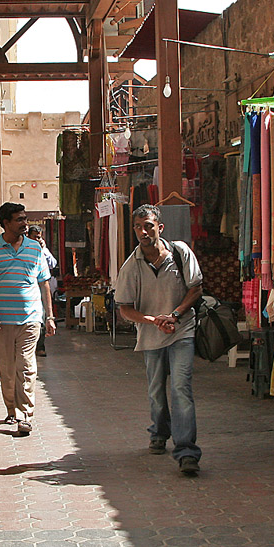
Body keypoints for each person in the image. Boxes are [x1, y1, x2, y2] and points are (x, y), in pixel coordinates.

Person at [114, 204, 204, 476]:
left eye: (149, 226)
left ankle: (187, 450)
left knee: (180, 387)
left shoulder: (180, 252)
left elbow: (195, 288)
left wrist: (174, 315)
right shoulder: (131, 266)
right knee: (156, 390)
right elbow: (125, 308)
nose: (143, 231)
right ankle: (159, 431)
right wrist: (153, 321)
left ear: (159, 228)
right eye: (139, 227)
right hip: (152, 335)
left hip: (181, 330)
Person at [0, 203, 56, 435]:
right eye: (19, 219)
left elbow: (44, 284)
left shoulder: (35, 249)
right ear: (5, 222)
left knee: (26, 365)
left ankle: (24, 414)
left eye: (25, 218)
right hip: (2, 321)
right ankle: (11, 409)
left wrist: (49, 316)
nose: (25, 223)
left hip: (30, 320)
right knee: (8, 369)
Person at [27, 225, 58, 358]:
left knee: (42, 317)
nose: (38, 239)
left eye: (39, 236)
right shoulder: (26, 250)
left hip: (42, 291)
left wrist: (43, 249)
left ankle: (40, 346)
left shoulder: (42, 250)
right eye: (35, 237)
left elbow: (53, 263)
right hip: (29, 290)